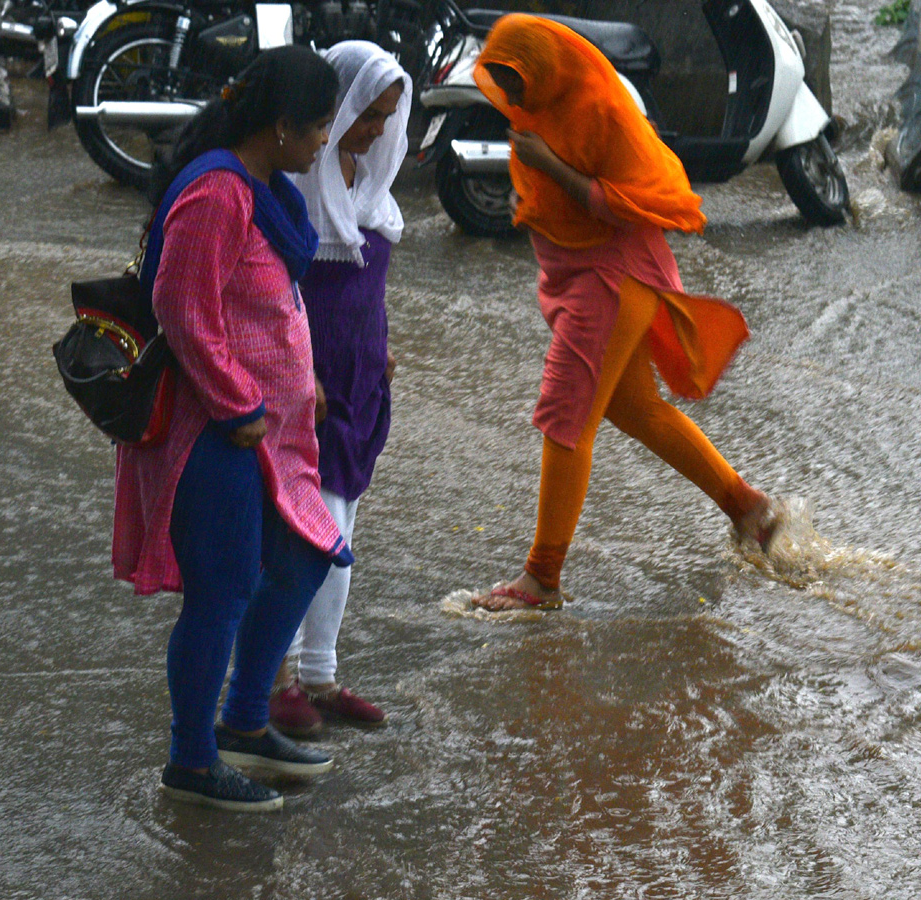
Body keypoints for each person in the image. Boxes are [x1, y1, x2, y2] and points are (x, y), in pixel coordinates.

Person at [469, 15, 781, 612]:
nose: (508, 94)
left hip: (610, 278)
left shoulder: (602, 111)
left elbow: (631, 205)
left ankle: (542, 578)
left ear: (547, 69)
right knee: (636, 408)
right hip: (577, 272)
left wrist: (553, 168)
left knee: (567, 416)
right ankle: (748, 508)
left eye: (515, 80)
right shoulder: (536, 109)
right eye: (500, 79)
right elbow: (549, 192)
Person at [112, 46, 351, 811]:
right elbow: (184, 311)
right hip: (212, 433)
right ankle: (191, 761)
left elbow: (263, 299)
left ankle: (245, 721)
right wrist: (237, 405)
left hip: (265, 430)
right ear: (280, 127)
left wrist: (299, 378)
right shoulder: (217, 192)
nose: (324, 142)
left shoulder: (259, 187)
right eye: (317, 127)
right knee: (221, 593)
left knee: (306, 556)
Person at [267, 41, 411, 735]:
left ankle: (320, 675)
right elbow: (275, 286)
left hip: (358, 381)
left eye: (387, 116)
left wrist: (380, 350)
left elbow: (367, 282)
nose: (376, 129)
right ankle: (277, 677)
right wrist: (297, 374)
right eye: (367, 114)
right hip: (307, 384)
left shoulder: (366, 176)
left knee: (340, 532)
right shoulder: (298, 179)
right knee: (300, 534)